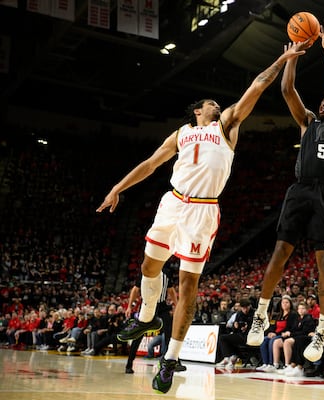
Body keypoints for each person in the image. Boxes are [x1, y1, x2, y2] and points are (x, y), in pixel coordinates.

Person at [96, 43, 306, 394]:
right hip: (172, 203)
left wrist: (282, 59)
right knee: (149, 267)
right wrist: (118, 187)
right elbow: (150, 164)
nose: (217, 106)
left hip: (203, 210)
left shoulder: (226, 126)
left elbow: (256, 85)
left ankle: (169, 360)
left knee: (187, 285)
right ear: (196, 110)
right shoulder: (180, 134)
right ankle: (147, 317)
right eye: (211, 103)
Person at [246, 17, 324, 367]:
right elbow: (286, 91)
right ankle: (261, 313)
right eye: (323, 100)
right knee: (280, 251)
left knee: (323, 261)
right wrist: (293, 56)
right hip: (300, 190)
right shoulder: (309, 123)